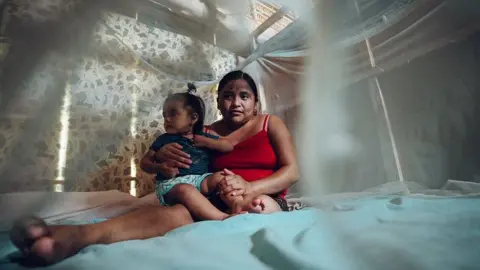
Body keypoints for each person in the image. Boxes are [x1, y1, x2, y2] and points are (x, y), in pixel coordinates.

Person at [9, 70, 298, 265]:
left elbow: (292, 170)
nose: (236, 102)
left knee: (260, 206)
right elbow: (168, 168)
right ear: (219, 102)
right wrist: (164, 161)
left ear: (256, 103)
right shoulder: (202, 133)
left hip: (262, 196)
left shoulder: (270, 123)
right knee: (172, 213)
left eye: (244, 96)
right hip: (212, 200)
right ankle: (72, 237)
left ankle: (245, 215)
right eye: (228, 96)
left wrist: (250, 186)